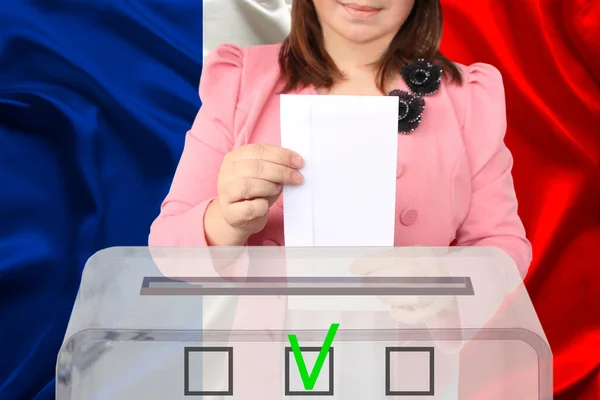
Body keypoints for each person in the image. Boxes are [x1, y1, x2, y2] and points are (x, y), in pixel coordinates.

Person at [149, 0, 533, 278]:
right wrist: (227, 219)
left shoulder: (467, 98)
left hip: (409, 368)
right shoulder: (241, 81)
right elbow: (166, 250)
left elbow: (503, 246)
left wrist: (444, 279)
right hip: (270, 368)